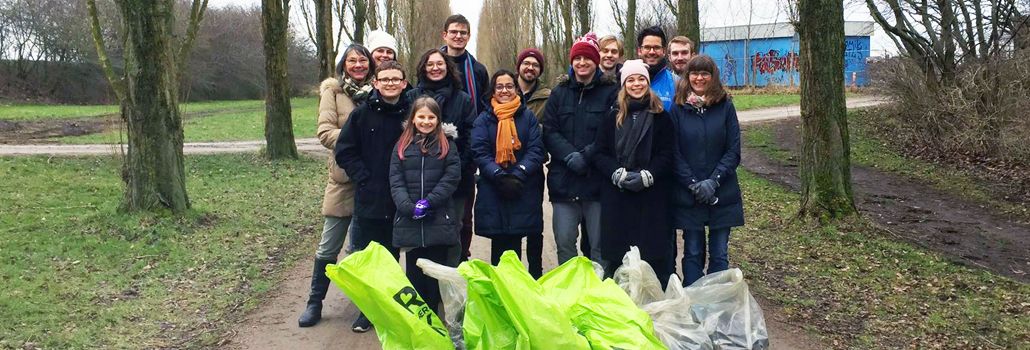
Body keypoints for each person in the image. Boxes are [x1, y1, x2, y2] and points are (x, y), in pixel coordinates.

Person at [298, 44, 375, 328]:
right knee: (328, 245)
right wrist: (360, 137)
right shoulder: (333, 92)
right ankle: (314, 302)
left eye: (363, 60)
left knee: (364, 248)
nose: (358, 65)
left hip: (372, 181)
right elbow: (325, 132)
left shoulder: (378, 91)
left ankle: (366, 306)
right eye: (352, 60)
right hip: (342, 179)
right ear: (344, 64)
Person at [334, 60, 411, 332]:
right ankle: (368, 311)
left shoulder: (413, 114)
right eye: (385, 79)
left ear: (404, 83)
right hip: (371, 198)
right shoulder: (362, 115)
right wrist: (363, 177)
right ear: (375, 83)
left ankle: (393, 308)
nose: (390, 83)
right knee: (370, 257)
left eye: (396, 79)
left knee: (394, 257)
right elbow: (344, 150)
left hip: (403, 200)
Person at [591, 59, 676, 284]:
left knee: (652, 257)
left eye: (641, 79)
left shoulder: (661, 117)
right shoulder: (612, 117)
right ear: (623, 84)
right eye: (631, 80)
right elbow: (599, 152)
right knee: (618, 259)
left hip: (651, 197)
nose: (636, 84)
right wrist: (616, 173)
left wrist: (649, 175)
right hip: (617, 196)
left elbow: (667, 153)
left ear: (648, 83)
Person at [542, 33, 619, 266]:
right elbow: (550, 131)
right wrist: (569, 156)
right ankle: (568, 298)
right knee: (565, 246)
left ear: (596, 61)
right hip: (564, 184)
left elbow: (610, 132)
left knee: (600, 249)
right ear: (571, 61)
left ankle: (598, 297)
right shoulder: (558, 93)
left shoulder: (611, 92)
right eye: (578, 58)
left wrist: (585, 156)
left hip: (597, 184)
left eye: (587, 57)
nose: (582, 63)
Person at [669, 55, 744, 286]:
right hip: (689, 194)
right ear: (687, 76)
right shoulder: (678, 108)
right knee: (692, 251)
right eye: (694, 73)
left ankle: (717, 302)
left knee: (719, 253)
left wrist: (713, 181)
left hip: (722, 192)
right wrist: (693, 183)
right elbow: (674, 152)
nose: (699, 78)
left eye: (704, 73)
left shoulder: (725, 106)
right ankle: (693, 299)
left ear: (712, 77)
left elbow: (733, 150)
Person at [403, 49, 477, 265]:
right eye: (430, 64)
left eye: (440, 64)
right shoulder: (411, 97)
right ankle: (424, 285)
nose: (435, 68)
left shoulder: (462, 99)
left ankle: (450, 284)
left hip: (456, 179)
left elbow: (471, 136)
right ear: (423, 68)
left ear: (448, 67)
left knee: (453, 230)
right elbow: (404, 137)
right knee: (421, 230)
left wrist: (457, 169)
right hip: (419, 180)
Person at [470, 70, 546, 275]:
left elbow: (536, 149)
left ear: (517, 89)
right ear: (493, 91)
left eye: (509, 86)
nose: (505, 90)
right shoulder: (484, 119)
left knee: (517, 239)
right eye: (500, 86)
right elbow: (479, 150)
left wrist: (519, 172)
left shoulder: (527, 116)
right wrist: (498, 174)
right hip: (494, 187)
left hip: (523, 186)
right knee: (500, 246)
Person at [389, 96, 461, 313]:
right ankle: (418, 319)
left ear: (438, 120)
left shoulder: (447, 146)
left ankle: (434, 318)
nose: (426, 121)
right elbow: (396, 179)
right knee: (414, 274)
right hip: (410, 221)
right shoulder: (402, 146)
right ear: (413, 119)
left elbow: (451, 178)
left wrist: (429, 202)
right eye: (421, 116)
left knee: (435, 276)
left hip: (437, 220)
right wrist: (408, 206)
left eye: (431, 117)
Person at [440, 13, 489, 265]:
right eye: (454, 32)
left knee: (463, 215)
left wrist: (473, 151)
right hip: (434, 151)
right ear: (444, 35)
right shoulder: (433, 64)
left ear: (468, 37)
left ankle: (461, 260)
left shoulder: (478, 70)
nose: (458, 36)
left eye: (463, 32)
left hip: (466, 151)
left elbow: (483, 109)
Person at [637, 26, 678, 110]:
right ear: (639, 51)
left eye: (656, 47)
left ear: (664, 51)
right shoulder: (627, 83)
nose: (652, 52)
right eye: (647, 47)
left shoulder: (677, 83)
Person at [516, 48, 552, 121]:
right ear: (519, 66)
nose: (530, 68)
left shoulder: (548, 98)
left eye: (535, 65)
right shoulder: (505, 92)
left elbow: (551, 127)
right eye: (526, 63)